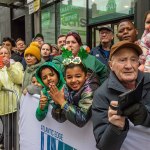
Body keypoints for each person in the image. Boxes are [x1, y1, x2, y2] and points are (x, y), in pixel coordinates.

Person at [92, 41, 150, 150]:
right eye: (122, 60)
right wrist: (115, 127)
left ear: (138, 63)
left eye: (133, 60)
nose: (129, 66)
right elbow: (104, 146)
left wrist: (146, 115)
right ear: (111, 65)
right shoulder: (101, 95)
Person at [49, 57, 100, 127]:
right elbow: (60, 118)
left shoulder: (90, 88)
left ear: (86, 76)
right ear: (65, 79)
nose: (73, 80)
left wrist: (62, 102)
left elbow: (82, 119)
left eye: (78, 76)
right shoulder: (66, 87)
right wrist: (57, 103)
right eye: (69, 77)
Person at [0, 46, 23, 150]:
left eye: (6, 53)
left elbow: (19, 79)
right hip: (4, 105)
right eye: (1, 53)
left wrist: (9, 66)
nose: (3, 55)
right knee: (7, 132)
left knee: (17, 131)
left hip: (16, 104)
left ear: (9, 55)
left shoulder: (16, 65)